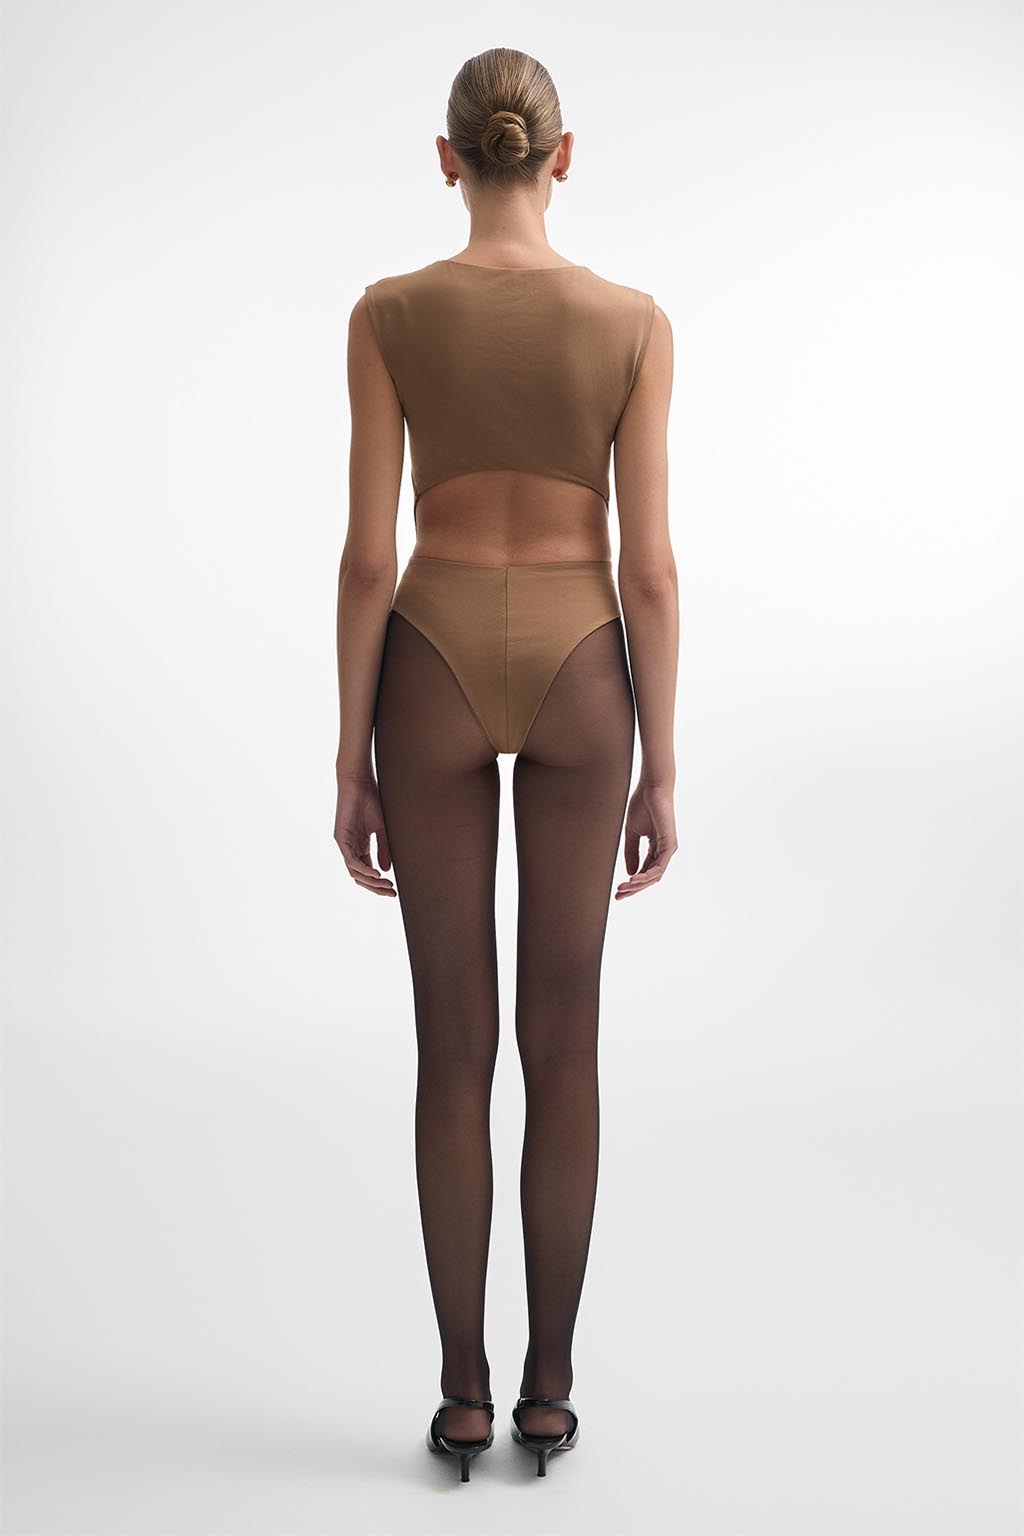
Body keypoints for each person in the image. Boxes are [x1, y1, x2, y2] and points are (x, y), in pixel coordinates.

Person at [333, 46, 679, 1482]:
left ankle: (462, 1394)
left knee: (453, 1049)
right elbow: (648, 569)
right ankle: (550, 1393)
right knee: (566, 1046)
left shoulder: (388, 314)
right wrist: (663, 763)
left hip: (431, 656)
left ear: (447, 158)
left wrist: (348, 755)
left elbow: (369, 558)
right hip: (585, 664)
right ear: (562, 155)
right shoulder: (633, 323)